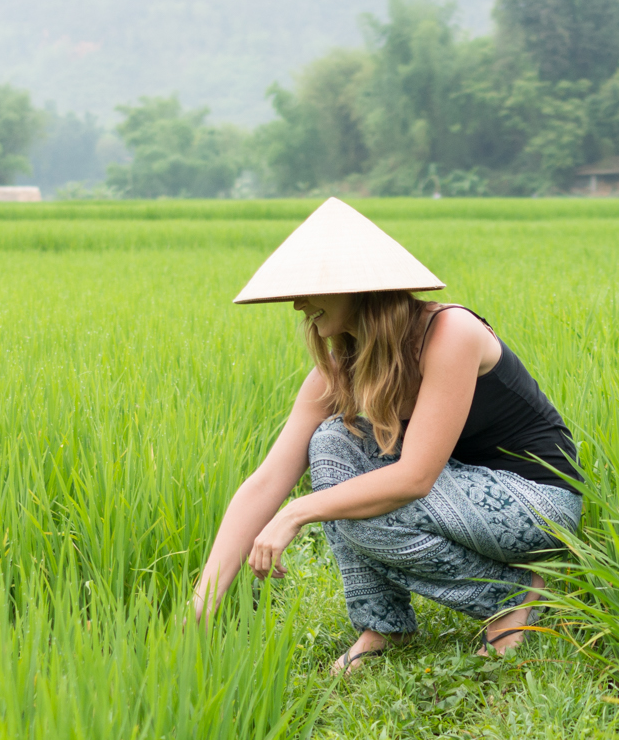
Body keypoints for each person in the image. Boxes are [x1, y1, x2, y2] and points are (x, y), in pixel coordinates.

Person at [191, 198, 583, 673]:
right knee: (331, 442)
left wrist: (298, 513)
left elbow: (414, 478)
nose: (297, 304)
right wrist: (201, 608)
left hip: (537, 502)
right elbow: (268, 479)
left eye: (310, 290)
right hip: (456, 490)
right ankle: (384, 624)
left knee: (352, 509)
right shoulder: (343, 366)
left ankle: (515, 598)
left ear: (360, 290)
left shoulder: (450, 332)